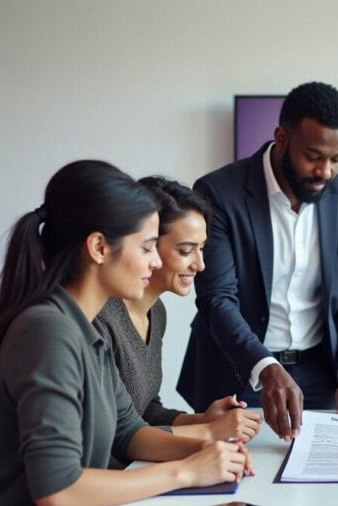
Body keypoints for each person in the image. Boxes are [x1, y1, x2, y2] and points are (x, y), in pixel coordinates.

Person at [0, 161, 251, 506]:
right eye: (146, 247)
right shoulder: (48, 332)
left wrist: (210, 452)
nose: (155, 262)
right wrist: (187, 471)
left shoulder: (82, 326)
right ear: (100, 247)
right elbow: (59, 491)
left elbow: (129, 433)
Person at [178, 81, 338, 441]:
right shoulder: (219, 193)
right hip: (236, 374)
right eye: (314, 156)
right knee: (231, 485)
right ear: (282, 139)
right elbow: (217, 299)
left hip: (320, 377)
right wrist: (267, 367)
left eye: (337, 158)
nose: (326, 172)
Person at [94, 176, 261, 469]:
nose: (200, 264)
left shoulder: (156, 313)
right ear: (146, 244)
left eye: (202, 248)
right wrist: (207, 433)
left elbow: (145, 410)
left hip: (136, 472)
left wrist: (202, 419)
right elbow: (117, 435)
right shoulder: (100, 319)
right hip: (109, 483)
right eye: (186, 251)